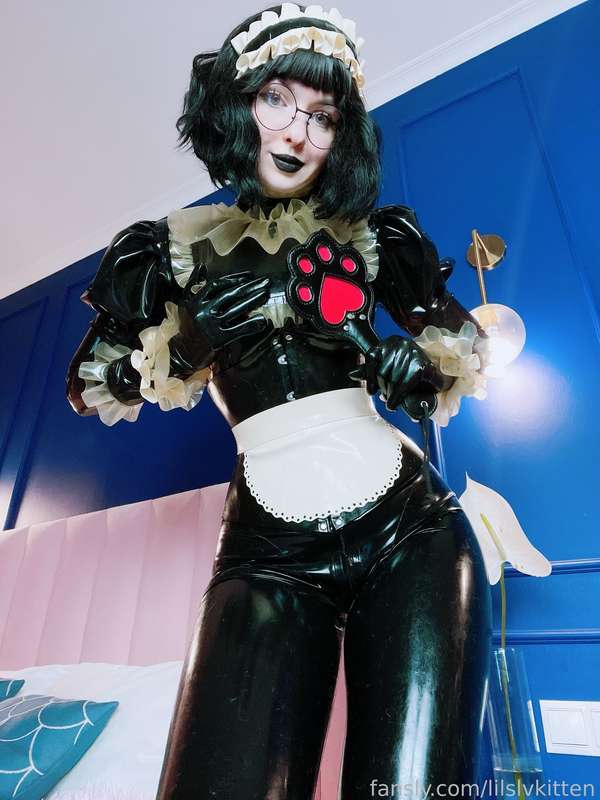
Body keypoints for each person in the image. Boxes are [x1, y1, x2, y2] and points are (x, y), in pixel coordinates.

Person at [67, 5, 492, 798]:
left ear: (341, 134)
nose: (297, 132)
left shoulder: (375, 237)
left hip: (413, 530)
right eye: (276, 100)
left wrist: (419, 369)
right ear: (238, 103)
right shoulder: (168, 249)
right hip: (266, 551)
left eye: (323, 116)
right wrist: (187, 346)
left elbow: (459, 346)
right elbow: (91, 386)